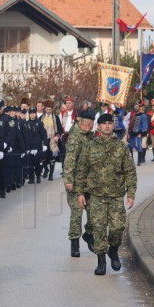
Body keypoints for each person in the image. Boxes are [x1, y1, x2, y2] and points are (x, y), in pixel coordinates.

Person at [76, 113, 137, 275]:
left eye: (110, 123)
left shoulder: (121, 147)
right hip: (96, 196)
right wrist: (80, 193)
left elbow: (130, 172)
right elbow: (81, 170)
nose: (108, 126)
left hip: (116, 195)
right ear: (99, 126)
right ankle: (101, 261)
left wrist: (131, 194)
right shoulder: (90, 146)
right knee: (99, 229)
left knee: (117, 228)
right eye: (104, 124)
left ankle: (114, 250)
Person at [63, 109, 96, 257]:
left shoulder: (90, 137)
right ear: (81, 122)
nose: (91, 126)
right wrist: (68, 180)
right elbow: (69, 160)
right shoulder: (75, 138)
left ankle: (89, 235)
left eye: (92, 123)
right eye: (89, 123)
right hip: (76, 183)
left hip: (90, 183)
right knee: (76, 214)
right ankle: (74, 243)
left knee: (93, 212)